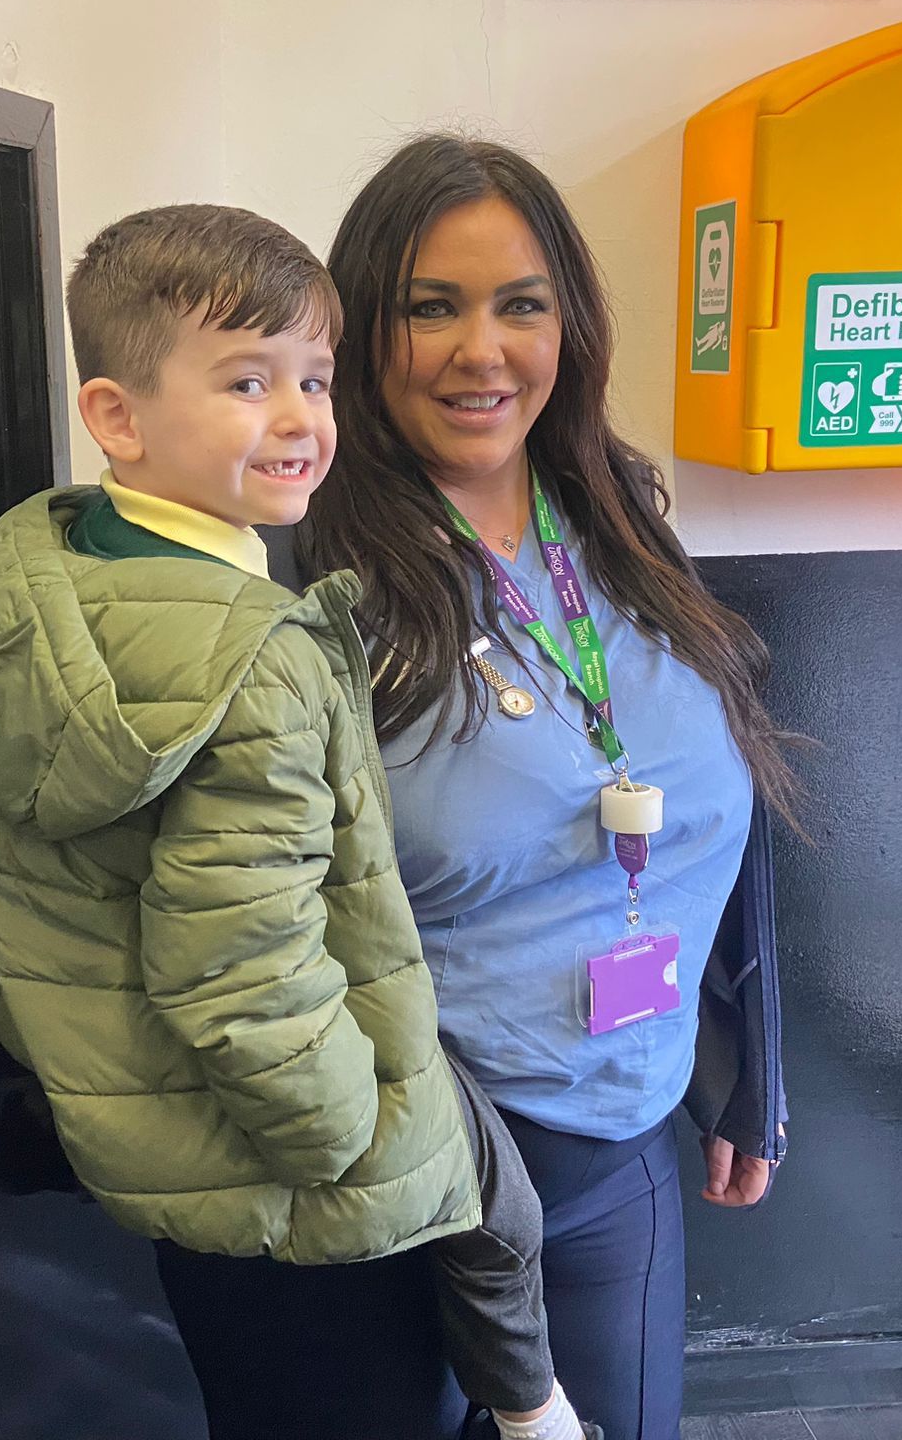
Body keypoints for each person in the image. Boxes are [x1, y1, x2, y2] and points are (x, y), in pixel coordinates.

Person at [0, 204, 599, 1440]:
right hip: (294, 1163)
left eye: (314, 380)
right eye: (247, 382)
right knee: (482, 1243)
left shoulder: (27, 584)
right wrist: (360, 1139)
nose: (301, 420)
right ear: (116, 416)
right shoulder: (254, 656)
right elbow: (238, 965)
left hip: (151, 1121)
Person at [293, 135, 795, 1440]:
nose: (484, 351)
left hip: (615, 1142)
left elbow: (707, 802)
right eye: (430, 306)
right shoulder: (307, 577)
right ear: (362, 331)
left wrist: (745, 1067)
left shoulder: (619, 519)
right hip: (402, 1180)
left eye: (521, 303)